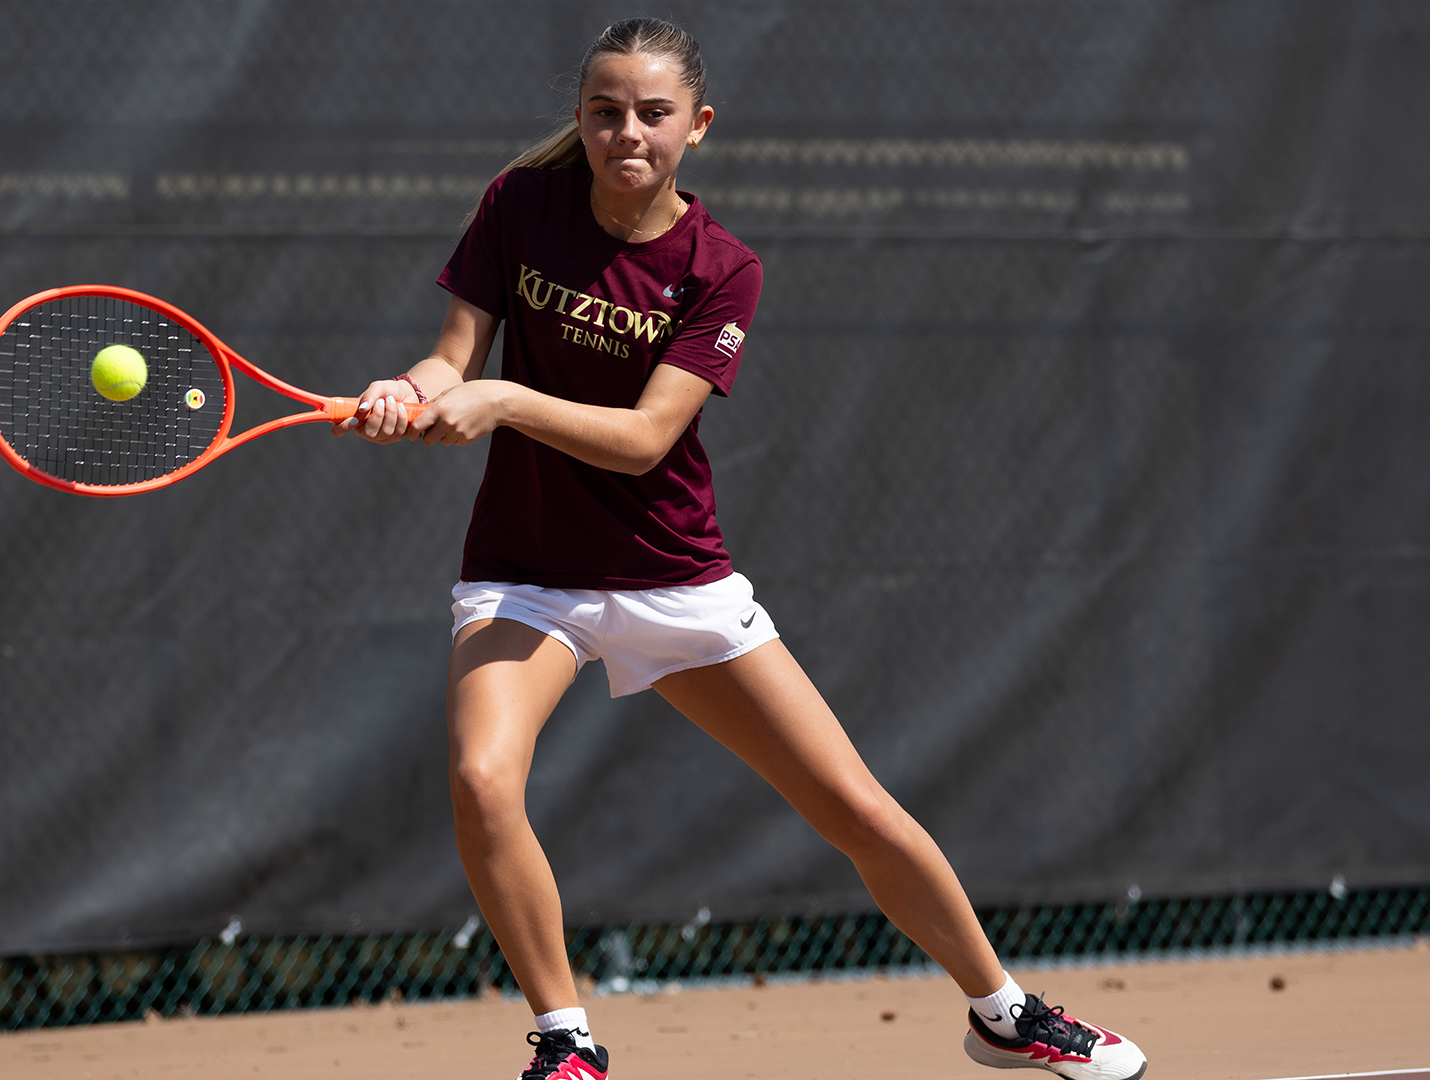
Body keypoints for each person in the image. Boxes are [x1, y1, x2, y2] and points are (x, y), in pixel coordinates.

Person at [334, 18, 1148, 1080]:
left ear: (697, 126)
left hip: (675, 576)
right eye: (605, 111)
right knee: (484, 781)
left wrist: (499, 401)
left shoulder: (721, 270)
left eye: (653, 114)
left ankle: (1002, 1012)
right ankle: (566, 1043)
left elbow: (640, 442)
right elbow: (453, 359)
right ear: (579, 119)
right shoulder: (519, 204)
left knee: (855, 808)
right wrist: (414, 392)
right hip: (527, 575)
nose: (628, 132)